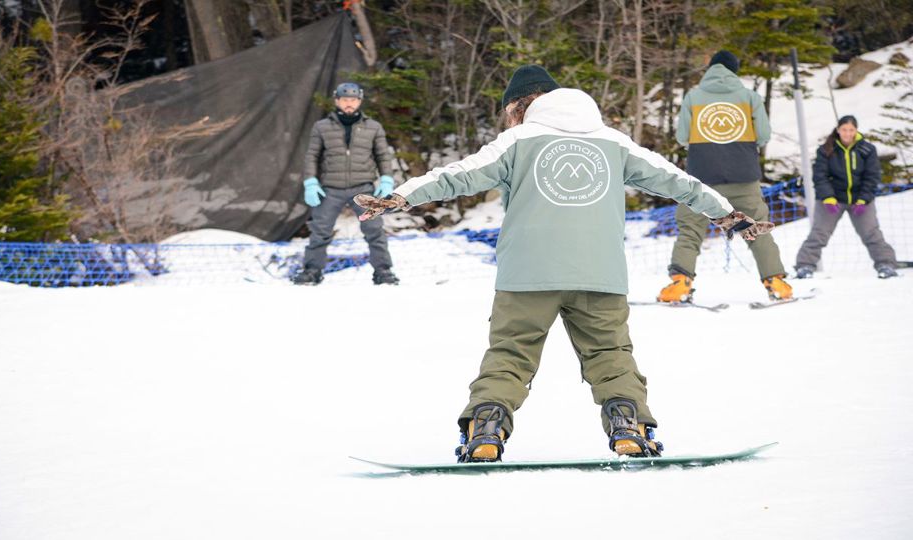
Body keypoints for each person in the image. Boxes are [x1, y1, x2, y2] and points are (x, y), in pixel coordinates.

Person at [355, 65, 773, 462]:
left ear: (521, 105)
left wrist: (402, 196)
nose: (508, 121)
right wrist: (725, 212)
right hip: (600, 273)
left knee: (510, 355)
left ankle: (485, 431)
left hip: (527, 274)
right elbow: (678, 181)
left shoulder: (517, 141)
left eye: (508, 112)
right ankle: (629, 428)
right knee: (611, 355)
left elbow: (459, 174)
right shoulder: (613, 141)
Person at [657, 50, 793, 304]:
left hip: (702, 177)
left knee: (691, 229)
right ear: (734, 70)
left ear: (710, 69)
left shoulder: (694, 97)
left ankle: (679, 283)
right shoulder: (749, 97)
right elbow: (763, 135)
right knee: (757, 228)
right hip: (744, 175)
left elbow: (682, 137)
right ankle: (776, 281)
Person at [291, 82, 400, 286]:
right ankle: (312, 271)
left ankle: (383, 271)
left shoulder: (373, 127)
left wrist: (386, 179)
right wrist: (311, 182)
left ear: (359, 101)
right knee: (320, 231)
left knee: (374, 230)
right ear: (337, 101)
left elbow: (383, 156)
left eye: (353, 100)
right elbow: (312, 156)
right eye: (345, 100)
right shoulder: (322, 127)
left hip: (364, 188)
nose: (349, 104)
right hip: (330, 189)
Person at [794, 115, 899, 279]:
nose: (847, 133)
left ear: (856, 130)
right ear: (838, 130)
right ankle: (804, 266)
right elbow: (820, 176)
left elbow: (872, 176)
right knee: (819, 233)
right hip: (832, 200)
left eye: (851, 130)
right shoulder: (826, 149)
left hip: (861, 200)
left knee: (871, 233)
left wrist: (863, 199)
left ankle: (886, 264)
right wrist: (828, 197)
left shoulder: (867, 150)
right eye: (844, 129)